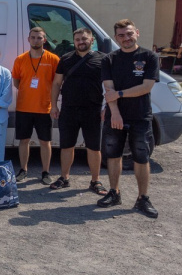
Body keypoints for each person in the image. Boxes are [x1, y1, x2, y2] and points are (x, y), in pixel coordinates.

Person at [98, 19, 159, 218]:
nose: (126, 38)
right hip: (115, 117)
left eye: (129, 34)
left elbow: (146, 87)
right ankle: (114, 192)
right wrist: (114, 112)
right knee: (113, 156)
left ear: (137, 33)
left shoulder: (149, 57)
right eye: (121, 35)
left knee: (141, 157)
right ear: (116, 38)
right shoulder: (109, 59)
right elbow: (108, 88)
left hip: (141, 116)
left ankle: (143, 198)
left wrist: (120, 94)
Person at [49, 28, 107, 193]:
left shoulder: (103, 59)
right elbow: (56, 84)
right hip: (69, 110)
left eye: (84, 38)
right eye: (78, 39)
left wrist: (107, 107)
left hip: (93, 110)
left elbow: (110, 86)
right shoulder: (65, 59)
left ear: (91, 40)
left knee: (94, 148)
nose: (81, 42)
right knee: (67, 146)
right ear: (74, 42)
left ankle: (95, 181)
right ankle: (64, 177)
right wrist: (54, 105)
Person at [12, 27, 59, 184]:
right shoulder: (20, 59)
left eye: (39, 38)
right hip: (24, 107)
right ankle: (23, 170)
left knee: (45, 142)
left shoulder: (53, 59)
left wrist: (53, 104)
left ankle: (45, 172)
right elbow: (17, 81)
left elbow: (57, 83)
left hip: (44, 108)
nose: (36, 40)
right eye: (33, 37)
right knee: (23, 141)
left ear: (44, 40)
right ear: (28, 39)